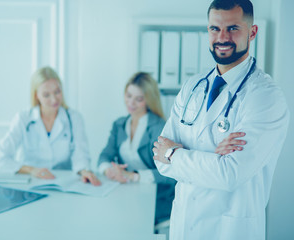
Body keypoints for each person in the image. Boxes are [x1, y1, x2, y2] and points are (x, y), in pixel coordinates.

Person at [152, 0, 290, 239]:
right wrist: (212, 157)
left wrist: (175, 154)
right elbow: (159, 159)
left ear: (252, 32)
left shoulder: (265, 97)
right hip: (184, 227)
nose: (222, 37)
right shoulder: (192, 86)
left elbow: (230, 175)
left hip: (229, 229)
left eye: (233, 28)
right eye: (215, 29)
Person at [0, 66, 100, 186]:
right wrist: (32, 170)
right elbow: (2, 159)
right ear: (36, 96)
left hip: (62, 182)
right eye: (46, 95)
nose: (54, 99)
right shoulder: (23, 118)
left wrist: (84, 171)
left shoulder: (74, 118)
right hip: (30, 182)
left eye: (57, 92)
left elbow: (80, 155)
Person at [98, 72, 176, 226]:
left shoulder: (159, 127)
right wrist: (109, 170)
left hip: (157, 197)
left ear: (148, 100)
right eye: (128, 96)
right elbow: (104, 155)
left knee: (131, 224)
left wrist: (133, 176)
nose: (131, 103)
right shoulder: (119, 124)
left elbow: (170, 173)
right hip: (127, 193)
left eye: (138, 99)